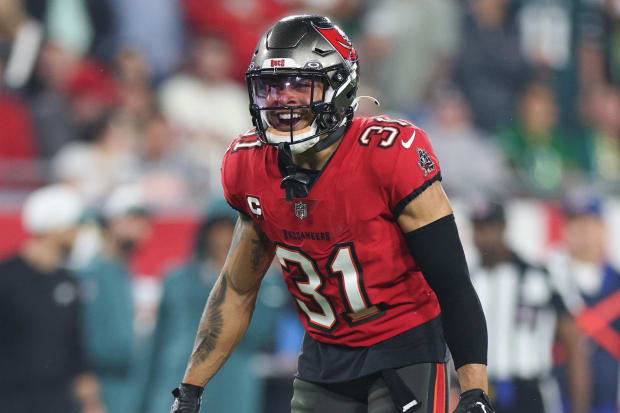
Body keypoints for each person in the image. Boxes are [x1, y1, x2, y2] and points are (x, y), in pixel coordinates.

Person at [170, 15, 494, 413]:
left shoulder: (389, 154)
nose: (283, 101)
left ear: (339, 86)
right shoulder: (250, 166)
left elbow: (451, 281)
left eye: (299, 86)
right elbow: (237, 288)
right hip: (323, 357)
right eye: (272, 87)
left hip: (403, 347)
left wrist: (476, 390)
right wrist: (190, 389)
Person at [143, 199, 287, 413]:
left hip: (232, 384)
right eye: (217, 230)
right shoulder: (178, 277)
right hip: (176, 379)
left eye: (231, 230)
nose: (223, 239)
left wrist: (252, 279)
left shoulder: (264, 283)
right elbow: (158, 342)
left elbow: (259, 334)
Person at [468, 200, 590, 413]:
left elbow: (572, 340)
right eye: (478, 228)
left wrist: (580, 406)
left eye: (490, 227)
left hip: (530, 390)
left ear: (504, 228)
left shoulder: (539, 276)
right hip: (482, 390)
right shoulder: (468, 283)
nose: (484, 236)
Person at [0, 185, 105, 413]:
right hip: (10, 401)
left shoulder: (69, 281)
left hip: (58, 402)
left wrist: (91, 401)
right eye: (74, 225)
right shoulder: (5, 278)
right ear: (54, 227)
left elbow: (74, 345)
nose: (78, 233)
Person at [79, 184, 152, 413]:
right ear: (111, 222)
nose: (141, 228)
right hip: (100, 388)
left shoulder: (124, 272)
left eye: (143, 221)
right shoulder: (90, 272)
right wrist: (90, 399)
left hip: (129, 387)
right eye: (133, 219)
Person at [549, 195, 620, 413]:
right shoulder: (548, 280)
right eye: (574, 223)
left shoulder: (616, 282)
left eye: (588, 222)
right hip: (558, 400)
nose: (581, 230)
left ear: (602, 228)